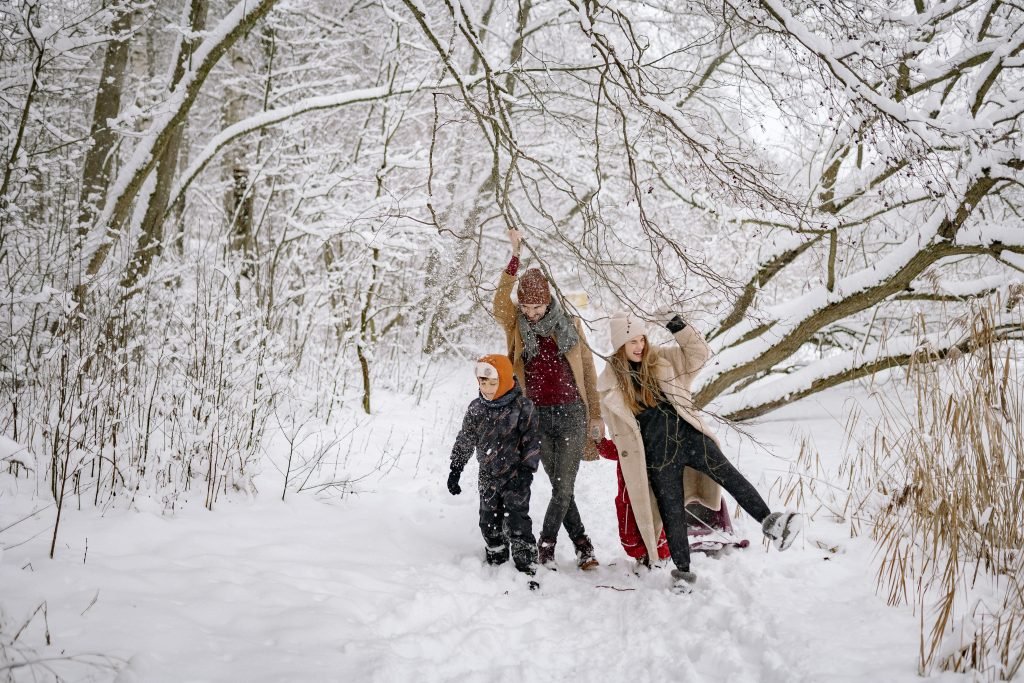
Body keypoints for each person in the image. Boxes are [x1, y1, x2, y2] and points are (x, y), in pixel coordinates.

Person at [596, 310, 801, 593]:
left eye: (641, 339)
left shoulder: (664, 360)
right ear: (619, 346)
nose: (639, 346)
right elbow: (619, 435)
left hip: (690, 438)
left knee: (728, 474)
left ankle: (772, 522)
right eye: (631, 341)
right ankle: (682, 574)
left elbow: (698, 352)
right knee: (672, 514)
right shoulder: (609, 386)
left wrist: (674, 323)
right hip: (657, 456)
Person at [493, 228, 603, 570]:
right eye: (526, 306)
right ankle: (584, 546)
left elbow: (587, 371)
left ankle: (547, 544)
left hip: (572, 414)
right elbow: (500, 303)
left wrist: (595, 415)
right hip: (536, 415)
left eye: (538, 306)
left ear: (549, 301)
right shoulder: (516, 326)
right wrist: (514, 256)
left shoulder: (569, 324)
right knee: (560, 486)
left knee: (564, 485)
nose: (532, 313)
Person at [448, 354, 541, 585]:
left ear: (506, 380)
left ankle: (525, 561)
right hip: (488, 475)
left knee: (517, 520)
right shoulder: (477, 408)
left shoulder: (523, 407)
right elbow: (466, 439)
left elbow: (532, 441)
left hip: (516, 475)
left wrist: (527, 472)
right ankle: (496, 555)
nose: (487, 388)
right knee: (488, 520)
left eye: (492, 382)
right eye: (483, 383)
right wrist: (456, 468)